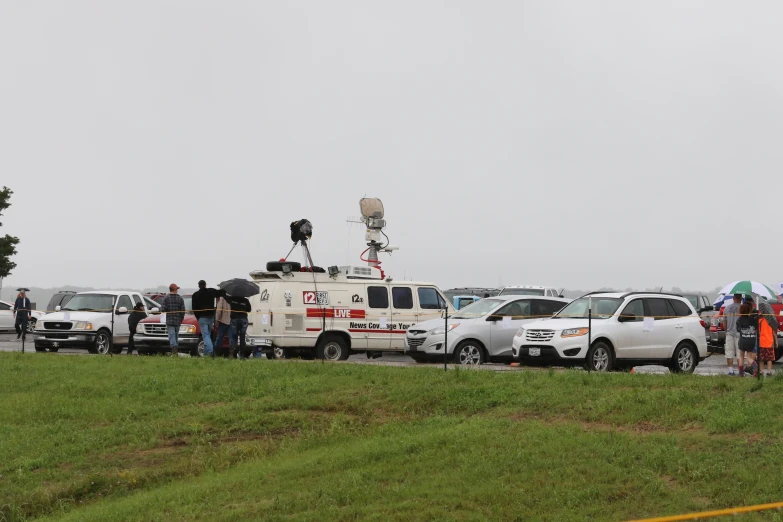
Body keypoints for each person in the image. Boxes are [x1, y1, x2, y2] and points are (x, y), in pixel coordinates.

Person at [191, 280, 226, 357]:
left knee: (205, 335)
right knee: (208, 334)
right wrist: (217, 297)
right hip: (210, 317)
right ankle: (206, 354)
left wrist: (198, 317)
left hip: (202, 318)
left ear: (199, 286)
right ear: (205, 285)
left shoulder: (195, 295)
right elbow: (222, 292)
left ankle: (211, 352)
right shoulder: (211, 291)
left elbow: (194, 308)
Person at [160, 283, 186, 356]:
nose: (177, 290)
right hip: (178, 321)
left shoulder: (166, 298)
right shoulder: (180, 298)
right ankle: (175, 351)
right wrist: (181, 319)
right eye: (177, 289)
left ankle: (174, 350)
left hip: (169, 321)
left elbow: (162, 309)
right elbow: (183, 311)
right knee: (176, 336)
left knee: (171, 336)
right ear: (174, 289)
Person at [757, 297, 780, 377]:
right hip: (769, 342)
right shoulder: (771, 321)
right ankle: (769, 372)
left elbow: (758, 332)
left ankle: (761, 371)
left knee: (761, 358)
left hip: (761, 342)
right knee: (769, 358)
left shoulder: (760, 320)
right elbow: (774, 333)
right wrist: (776, 342)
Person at [721, 294, 743, 375]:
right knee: (739, 354)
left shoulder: (727, 308)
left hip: (729, 333)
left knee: (729, 353)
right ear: (741, 298)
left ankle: (730, 371)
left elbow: (724, 321)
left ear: (733, 298)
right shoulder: (743, 308)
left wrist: (726, 330)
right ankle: (740, 371)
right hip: (739, 333)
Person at [736, 302, 758, 377]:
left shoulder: (739, 319)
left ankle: (741, 373)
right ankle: (755, 366)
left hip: (743, 340)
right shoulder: (753, 319)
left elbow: (738, 329)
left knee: (741, 356)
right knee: (749, 356)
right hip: (751, 340)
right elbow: (756, 328)